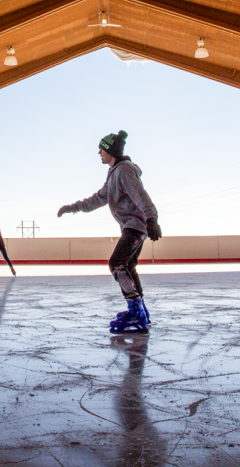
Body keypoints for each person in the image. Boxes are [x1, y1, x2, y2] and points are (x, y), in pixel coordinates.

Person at [58, 130, 161, 334]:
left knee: (117, 264)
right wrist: (72, 207)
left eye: (102, 149)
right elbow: (97, 199)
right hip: (132, 226)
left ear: (111, 151)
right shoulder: (115, 173)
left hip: (135, 226)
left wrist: (151, 218)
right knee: (128, 266)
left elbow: (141, 196)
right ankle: (141, 311)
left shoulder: (124, 171)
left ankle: (135, 311)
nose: (99, 152)